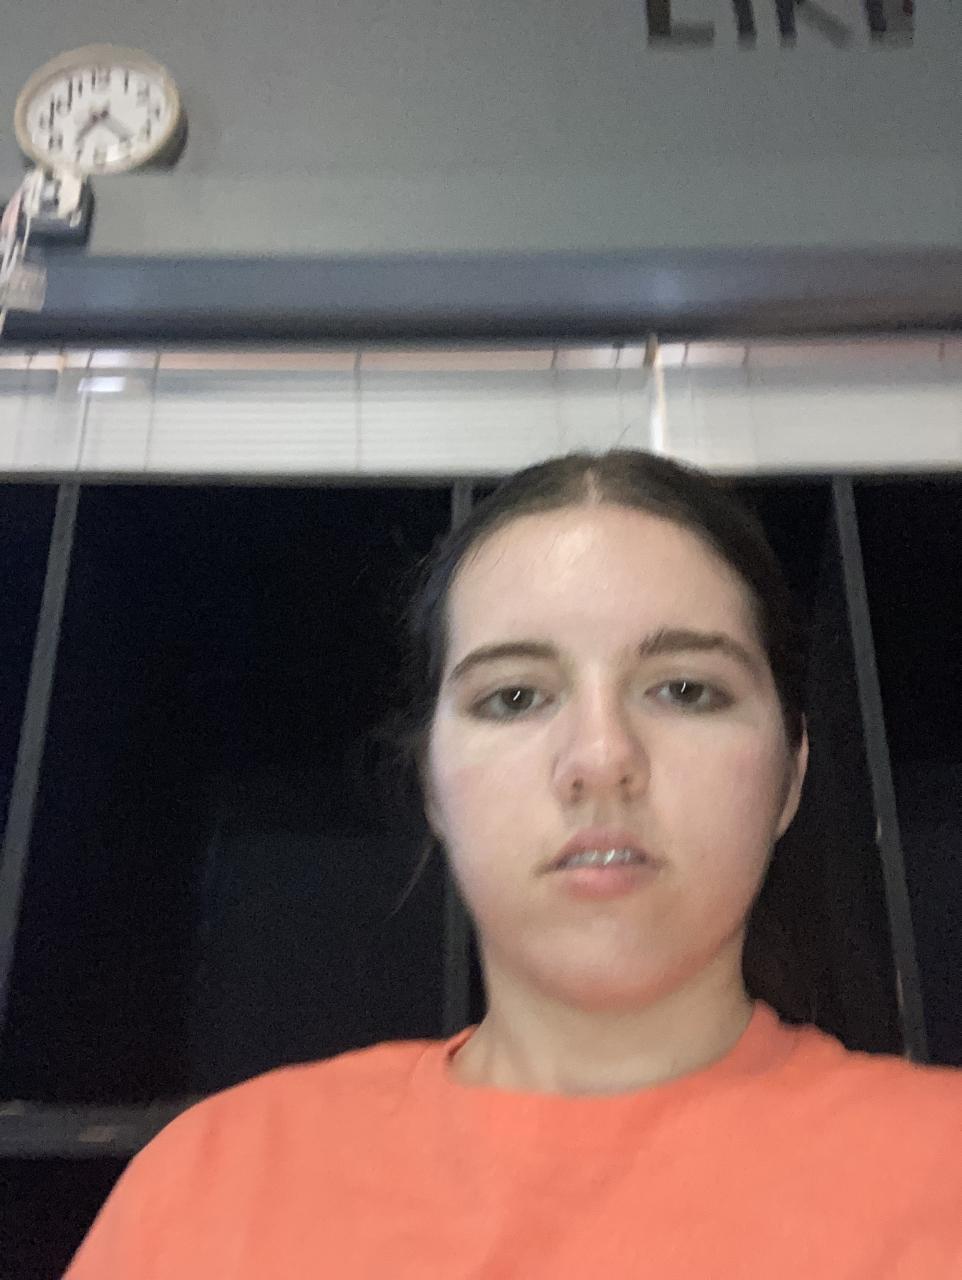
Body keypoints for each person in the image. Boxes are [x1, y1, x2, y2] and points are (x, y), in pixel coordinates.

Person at [64, 449, 961, 1279]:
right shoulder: (213, 1185)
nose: (601, 758)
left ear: (791, 775)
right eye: (515, 697)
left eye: (686, 689)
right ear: (431, 785)